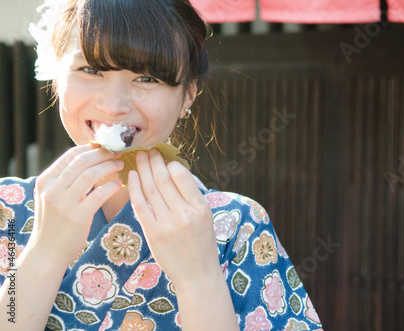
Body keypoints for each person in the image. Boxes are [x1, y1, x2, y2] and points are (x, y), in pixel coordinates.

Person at [0, 0, 323, 330]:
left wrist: (199, 278)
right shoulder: (7, 211)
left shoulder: (234, 225)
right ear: (56, 75)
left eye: (146, 78)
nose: (113, 106)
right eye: (91, 70)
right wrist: (44, 253)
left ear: (188, 95)